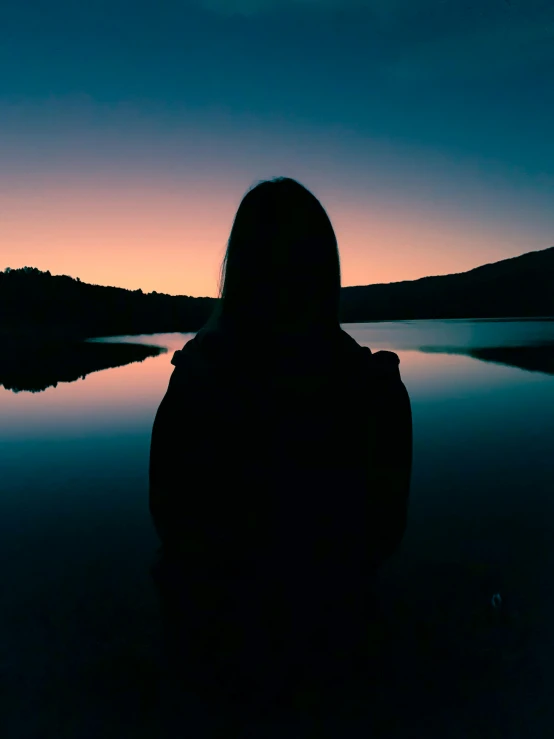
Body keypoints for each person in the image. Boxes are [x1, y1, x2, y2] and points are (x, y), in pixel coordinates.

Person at [149, 177, 412, 715]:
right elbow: (383, 535)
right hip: (337, 654)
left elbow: (169, 519)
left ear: (239, 271)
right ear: (327, 270)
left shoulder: (197, 384)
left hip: (214, 659)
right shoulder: (377, 391)